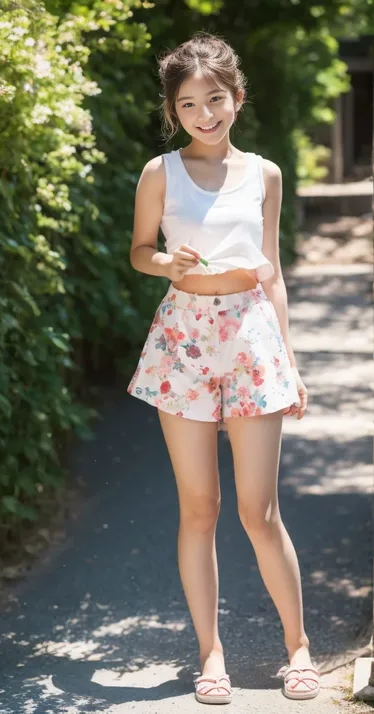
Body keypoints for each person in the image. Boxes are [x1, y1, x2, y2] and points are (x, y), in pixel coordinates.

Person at [127, 32, 320, 705]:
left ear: (237, 97)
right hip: (184, 338)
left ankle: (299, 648)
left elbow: (272, 274)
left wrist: (290, 366)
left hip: (251, 338)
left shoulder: (264, 172)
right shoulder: (160, 173)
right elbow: (140, 251)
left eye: (215, 99)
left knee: (258, 510)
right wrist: (164, 264)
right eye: (188, 104)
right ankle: (211, 656)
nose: (204, 114)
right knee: (200, 508)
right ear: (172, 111)